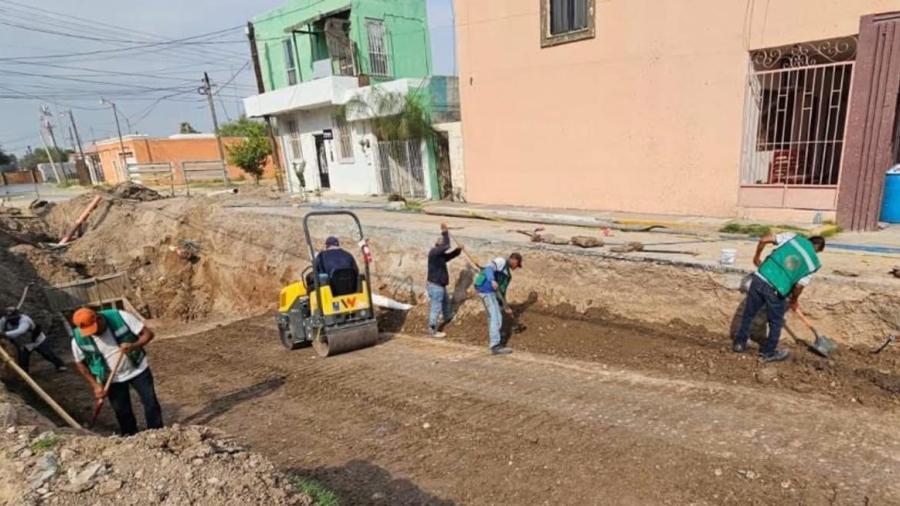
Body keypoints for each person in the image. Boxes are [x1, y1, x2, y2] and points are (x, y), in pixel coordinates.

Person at [733, 233, 826, 362]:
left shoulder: (793, 238)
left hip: (760, 277)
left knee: (749, 313)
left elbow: (763, 239)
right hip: (777, 289)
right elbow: (799, 286)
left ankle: (739, 343)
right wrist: (794, 300)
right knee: (776, 322)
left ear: (808, 240)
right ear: (818, 249)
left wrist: (756, 257)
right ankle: (768, 352)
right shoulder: (813, 263)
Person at [71, 307, 163, 435]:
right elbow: (80, 363)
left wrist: (133, 346)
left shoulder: (119, 317)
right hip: (112, 379)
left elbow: (148, 334)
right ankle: (131, 437)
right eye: (88, 331)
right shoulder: (78, 338)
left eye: (94, 329)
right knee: (122, 411)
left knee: (150, 403)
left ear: (99, 318)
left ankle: (157, 433)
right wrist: (95, 385)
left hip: (138, 369)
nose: (93, 333)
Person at [475, 253, 523, 355]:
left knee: (492, 317)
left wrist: (505, 306)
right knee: (496, 318)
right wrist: (492, 280)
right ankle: (495, 345)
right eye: (517, 264)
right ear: (513, 260)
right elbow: (488, 268)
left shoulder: (506, 275)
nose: (516, 267)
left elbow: (501, 291)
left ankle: (494, 340)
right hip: (486, 290)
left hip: (487, 291)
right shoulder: (501, 261)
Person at [0, 307, 66, 373]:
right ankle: (25, 375)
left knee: (48, 354)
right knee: (23, 360)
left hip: (37, 340)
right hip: (23, 344)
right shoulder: (3, 321)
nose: (12, 320)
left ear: (18, 315)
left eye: (14, 318)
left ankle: (60, 365)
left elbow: (21, 331)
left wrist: (4, 334)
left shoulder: (25, 320)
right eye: (10, 318)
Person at [426, 223, 463, 338]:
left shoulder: (439, 256)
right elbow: (447, 245)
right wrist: (445, 232)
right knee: (436, 307)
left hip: (440, 286)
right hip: (436, 286)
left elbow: (449, 256)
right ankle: (432, 329)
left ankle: (448, 317)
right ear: (439, 246)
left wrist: (458, 251)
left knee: (446, 302)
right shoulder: (434, 252)